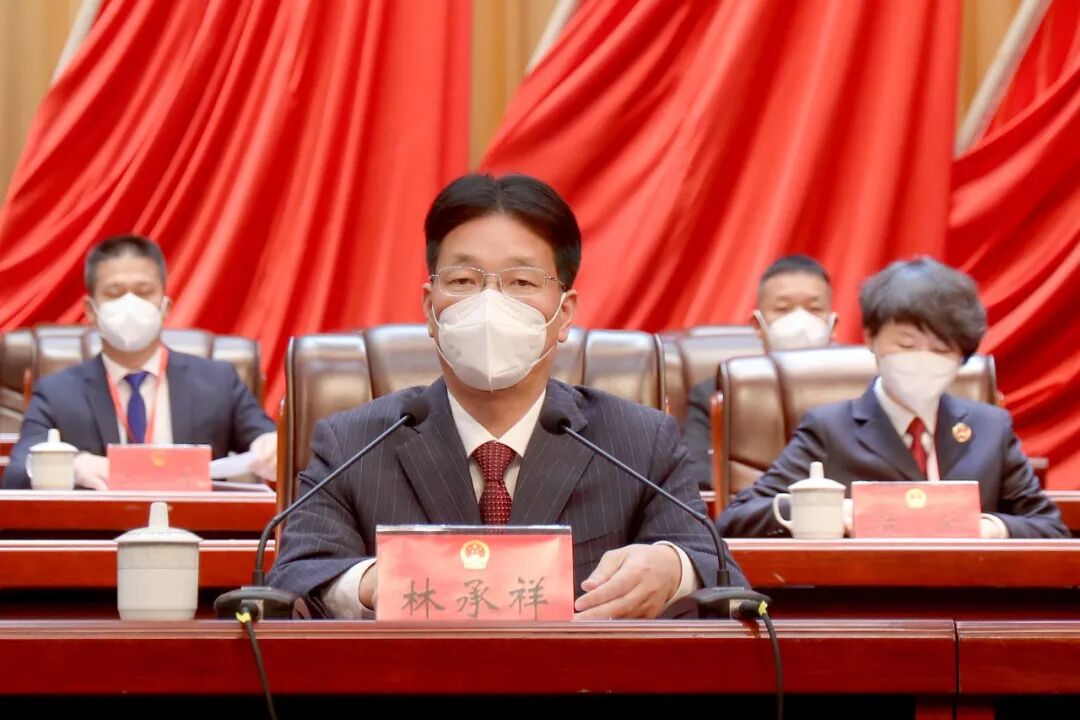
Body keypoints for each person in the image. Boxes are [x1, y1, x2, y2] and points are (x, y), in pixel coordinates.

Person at [269, 173, 745, 619]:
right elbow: (293, 580)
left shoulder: (639, 442)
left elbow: (720, 575)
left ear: (564, 313)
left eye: (521, 282)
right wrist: (373, 583)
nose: (490, 302)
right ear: (430, 309)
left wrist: (672, 567)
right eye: (463, 281)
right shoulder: (352, 443)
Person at [716, 257, 1068, 539]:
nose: (922, 359)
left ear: (962, 355)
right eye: (906, 344)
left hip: (970, 594)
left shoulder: (990, 427)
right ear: (871, 338)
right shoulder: (829, 429)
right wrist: (827, 511)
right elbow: (737, 518)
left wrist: (991, 528)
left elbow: (1050, 528)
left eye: (941, 349)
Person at [4, 235, 277, 490]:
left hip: (193, 522)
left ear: (165, 307)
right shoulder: (56, 392)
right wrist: (72, 465)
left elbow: (267, 440)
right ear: (91, 311)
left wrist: (271, 446)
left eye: (144, 291)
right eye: (114, 292)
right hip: (99, 524)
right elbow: (16, 473)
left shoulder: (218, 381)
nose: (130, 303)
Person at [683, 254, 836, 488]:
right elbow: (697, 475)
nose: (800, 321)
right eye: (783, 309)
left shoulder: (862, 391)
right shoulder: (718, 393)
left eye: (814, 309)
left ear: (832, 325)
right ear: (758, 325)